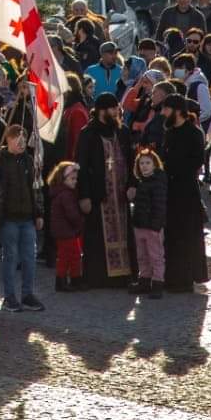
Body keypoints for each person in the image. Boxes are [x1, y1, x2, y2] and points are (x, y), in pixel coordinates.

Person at [75, 93, 135, 288]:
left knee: (124, 234)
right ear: (102, 110)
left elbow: (132, 160)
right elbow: (81, 166)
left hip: (120, 195)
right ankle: (98, 277)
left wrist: (133, 184)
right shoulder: (88, 133)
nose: (117, 112)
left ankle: (124, 275)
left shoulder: (122, 132)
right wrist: (83, 195)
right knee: (96, 237)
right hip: (98, 194)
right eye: (113, 108)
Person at [0, 123, 45, 313]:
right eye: (17, 139)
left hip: (27, 217)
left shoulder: (29, 160)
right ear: (8, 139)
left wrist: (39, 213)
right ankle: (9, 297)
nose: (21, 143)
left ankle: (27, 294)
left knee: (29, 258)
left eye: (23, 139)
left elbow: (36, 188)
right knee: (10, 258)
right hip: (8, 218)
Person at [159, 94, 209, 293]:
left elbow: (196, 161)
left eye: (166, 109)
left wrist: (173, 167)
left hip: (186, 190)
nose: (163, 113)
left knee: (188, 234)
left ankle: (187, 276)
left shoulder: (194, 132)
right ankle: (173, 276)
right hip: (171, 189)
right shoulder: (170, 132)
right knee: (172, 234)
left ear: (177, 110)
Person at [128, 146, 167, 298]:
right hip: (140, 225)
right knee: (142, 256)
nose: (144, 166)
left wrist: (156, 226)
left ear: (154, 164)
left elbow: (159, 205)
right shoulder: (141, 182)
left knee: (156, 256)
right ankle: (144, 280)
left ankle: (157, 283)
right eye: (142, 163)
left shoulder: (158, 182)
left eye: (147, 163)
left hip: (152, 227)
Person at [47, 161, 85, 291]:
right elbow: (72, 214)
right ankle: (64, 281)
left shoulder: (62, 193)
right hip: (66, 231)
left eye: (76, 179)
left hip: (64, 231)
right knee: (68, 257)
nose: (75, 181)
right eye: (72, 179)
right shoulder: (66, 194)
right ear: (64, 179)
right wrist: (80, 222)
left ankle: (72, 279)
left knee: (71, 256)